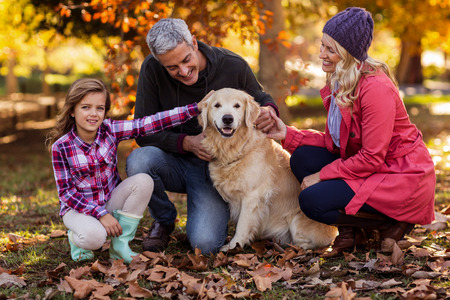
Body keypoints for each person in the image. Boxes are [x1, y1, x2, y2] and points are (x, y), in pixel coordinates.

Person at [266, 7, 435, 257]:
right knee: (302, 158)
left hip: (400, 175)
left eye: (330, 50)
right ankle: (351, 231)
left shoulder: (375, 89)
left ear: (348, 54)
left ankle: (392, 222)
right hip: (374, 167)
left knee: (311, 200)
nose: (322, 54)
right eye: (322, 45)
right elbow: (335, 144)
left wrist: (322, 175)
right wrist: (287, 135)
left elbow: (372, 157)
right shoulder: (343, 80)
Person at [126, 18, 278, 255]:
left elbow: (260, 97)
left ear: (194, 43)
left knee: (205, 245)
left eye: (186, 60)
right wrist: (185, 143)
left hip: (217, 167)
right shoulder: (152, 69)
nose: (184, 71)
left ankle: (218, 212)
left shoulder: (232, 65)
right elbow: (142, 130)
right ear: (159, 62)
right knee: (139, 160)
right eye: (172, 68)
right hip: (173, 161)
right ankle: (164, 220)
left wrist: (270, 111)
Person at [47, 78, 203, 263]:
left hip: (110, 201)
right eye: (85, 107)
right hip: (79, 210)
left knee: (144, 181)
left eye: (100, 108)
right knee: (96, 239)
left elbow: (149, 123)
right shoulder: (62, 146)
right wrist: (100, 214)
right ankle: (76, 238)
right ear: (72, 110)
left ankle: (120, 245)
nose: (93, 114)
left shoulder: (110, 130)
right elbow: (66, 193)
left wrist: (194, 109)